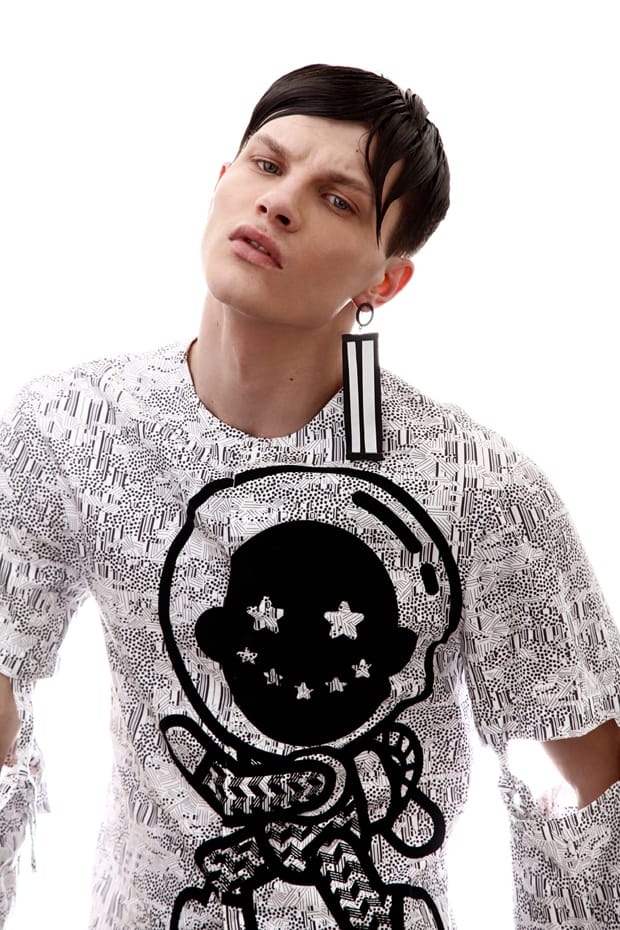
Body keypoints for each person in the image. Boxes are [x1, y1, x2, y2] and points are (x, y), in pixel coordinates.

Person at [1, 62, 619, 930]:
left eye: (337, 199)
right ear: (222, 181)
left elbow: (596, 774)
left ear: (384, 282)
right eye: (267, 164)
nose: (279, 203)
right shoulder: (70, 425)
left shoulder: (482, 486)